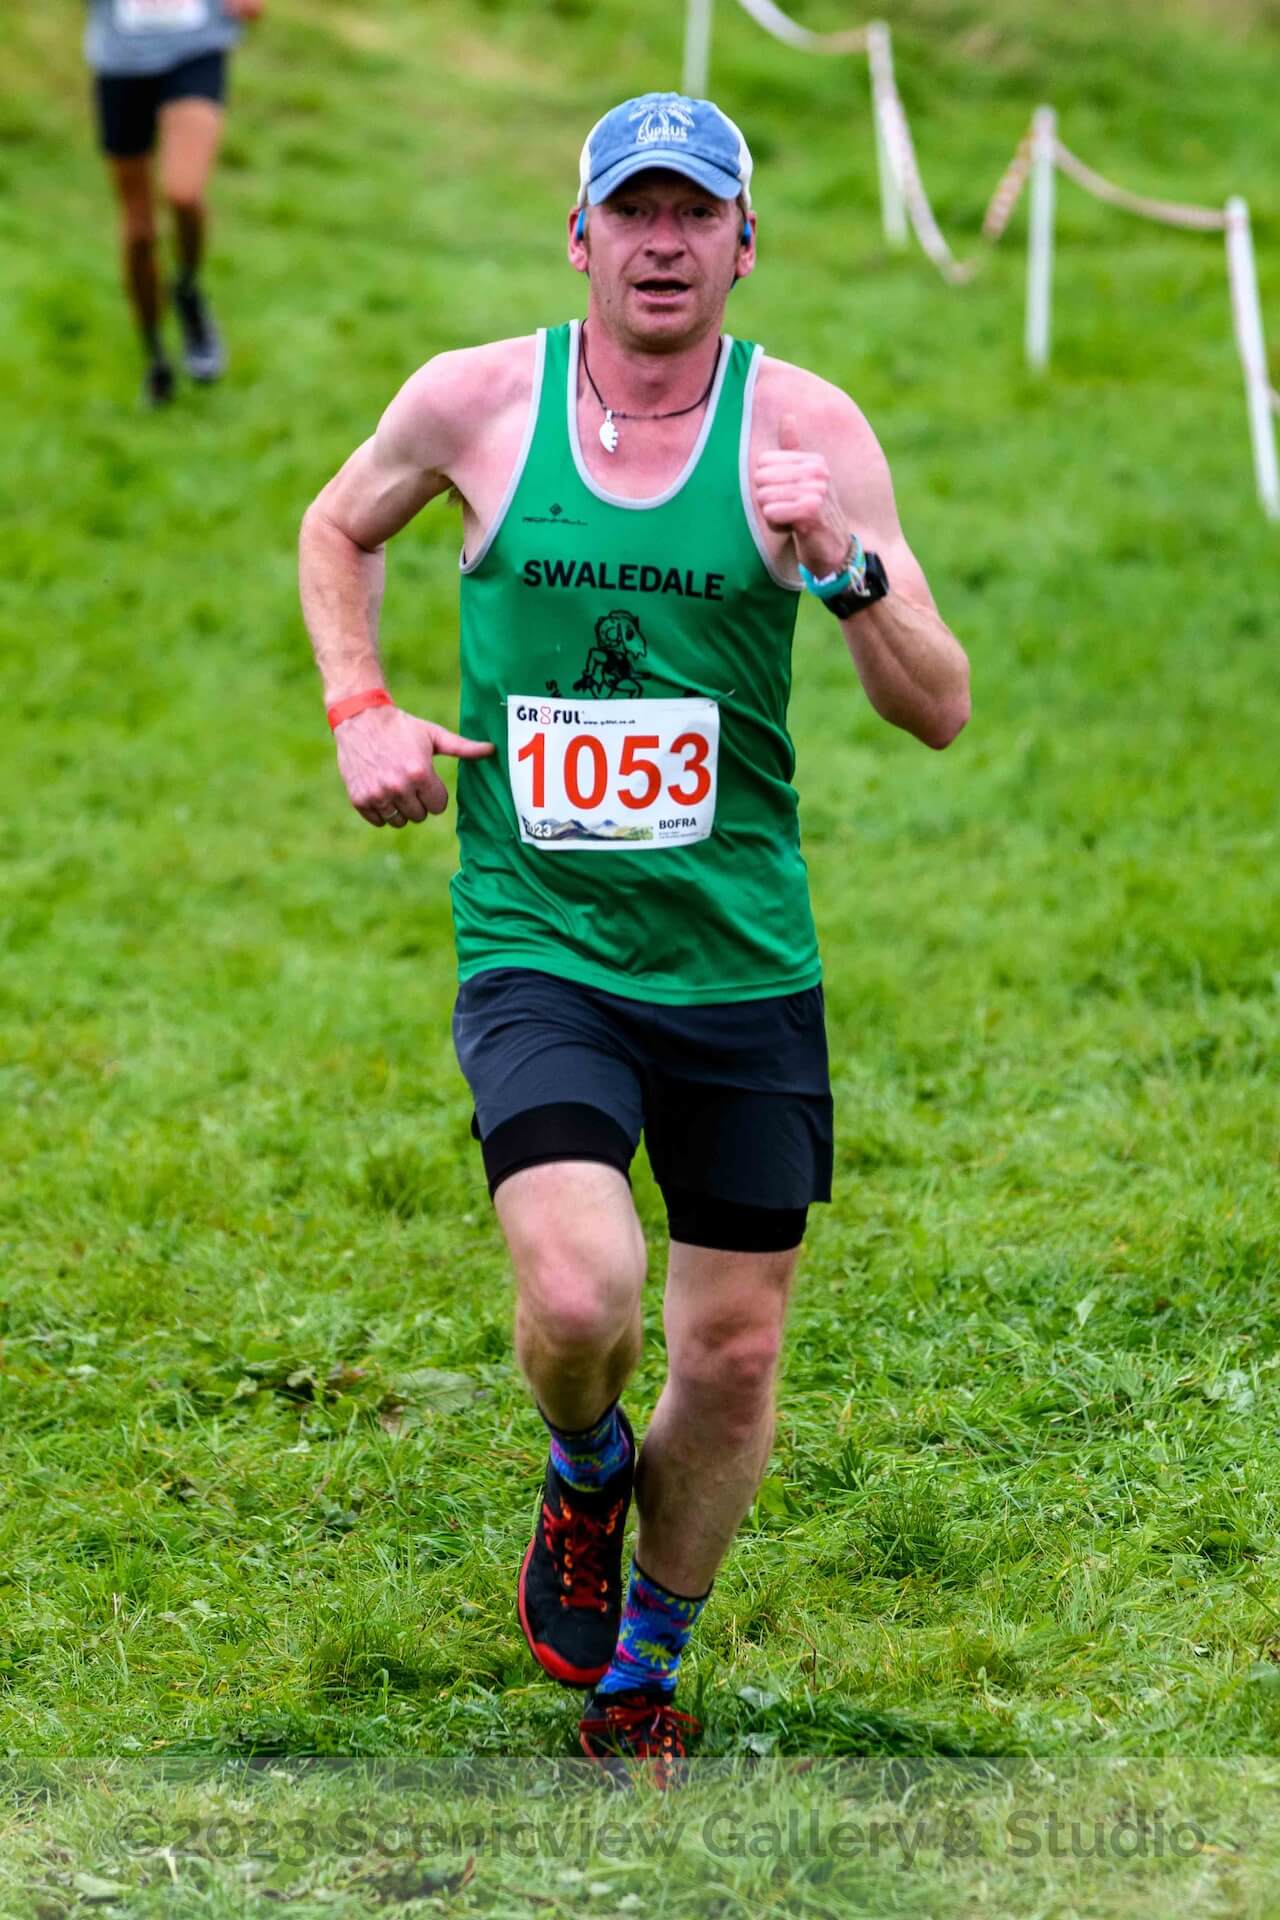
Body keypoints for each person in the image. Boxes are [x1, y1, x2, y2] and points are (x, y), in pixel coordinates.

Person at [299, 91, 970, 1776]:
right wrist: (360, 705)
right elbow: (337, 524)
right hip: (541, 941)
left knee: (732, 1354)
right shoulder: (476, 402)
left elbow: (938, 706)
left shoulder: (804, 430)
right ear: (580, 237)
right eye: (633, 211)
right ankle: (587, 1467)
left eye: (695, 214)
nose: (662, 243)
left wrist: (844, 566)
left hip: (743, 960)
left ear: (744, 245)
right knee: (584, 1290)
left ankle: (642, 1672)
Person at [84, 0, 264, 406]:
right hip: (120, 62)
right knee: (139, 232)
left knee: (184, 194)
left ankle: (187, 289)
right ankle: (156, 357)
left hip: (194, 51)